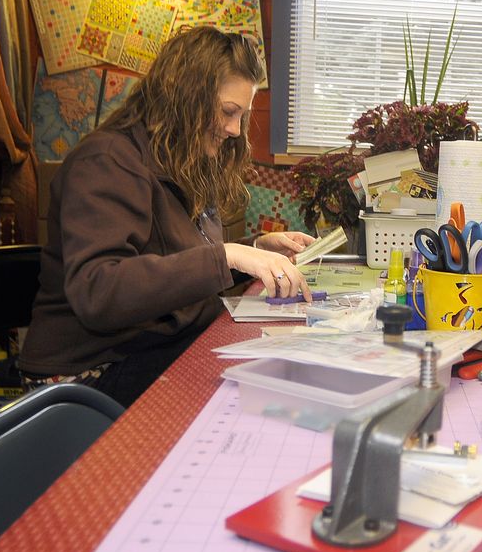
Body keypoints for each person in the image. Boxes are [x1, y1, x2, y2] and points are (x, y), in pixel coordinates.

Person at [20, 28, 315, 407]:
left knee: (266, 368)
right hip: (87, 374)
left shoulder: (179, 157)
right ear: (185, 97)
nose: (234, 130)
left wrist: (252, 251)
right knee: (252, 390)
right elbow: (98, 292)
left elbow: (177, 257)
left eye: (242, 115)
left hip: (147, 349)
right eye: (228, 112)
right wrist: (225, 256)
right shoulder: (106, 162)